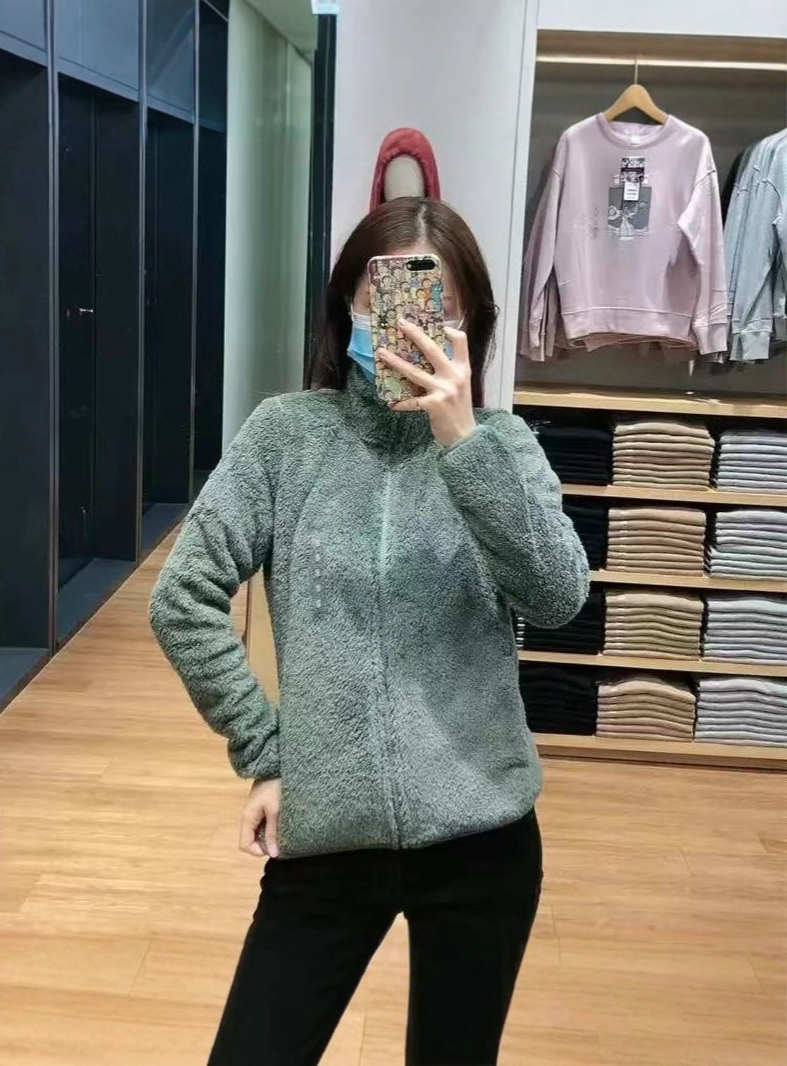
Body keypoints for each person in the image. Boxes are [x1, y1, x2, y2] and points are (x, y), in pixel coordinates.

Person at [149, 197, 590, 1066]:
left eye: (439, 307)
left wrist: (461, 441)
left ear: (470, 322)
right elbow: (182, 598)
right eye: (379, 302)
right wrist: (265, 750)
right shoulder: (285, 437)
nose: (406, 328)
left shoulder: (504, 446)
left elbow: (557, 598)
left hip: (482, 839)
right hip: (326, 835)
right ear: (346, 309)